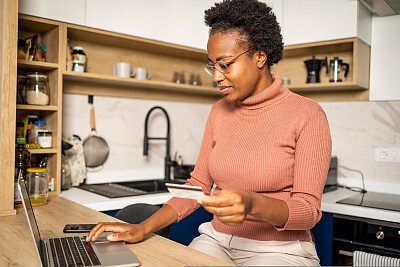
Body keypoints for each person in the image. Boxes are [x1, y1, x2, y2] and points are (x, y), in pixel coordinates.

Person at [86, 0, 332, 265]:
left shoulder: (307, 114)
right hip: (217, 240)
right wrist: (143, 227)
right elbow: (197, 187)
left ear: (260, 56)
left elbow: (308, 211)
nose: (216, 76)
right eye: (212, 65)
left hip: (280, 250)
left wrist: (252, 203)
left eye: (225, 64)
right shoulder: (218, 111)